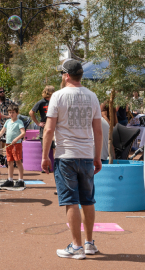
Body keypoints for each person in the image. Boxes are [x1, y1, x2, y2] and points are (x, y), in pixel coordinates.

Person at [41, 60, 103, 260]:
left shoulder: (58, 96)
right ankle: (89, 243)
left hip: (66, 155)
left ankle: (76, 247)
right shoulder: (92, 96)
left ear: (66, 75)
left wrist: (44, 156)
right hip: (86, 155)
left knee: (71, 202)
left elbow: (49, 130)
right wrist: (97, 156)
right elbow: (98, 130)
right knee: (88, 200)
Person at [0, 105, 26, 188]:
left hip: (16, 144)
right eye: (10, 112)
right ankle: (10, 179)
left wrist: (16, 139)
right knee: (9, 162)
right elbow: (2, 131)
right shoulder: (7, 122)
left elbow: (23, 133)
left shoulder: (19, 122)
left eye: (13, 112)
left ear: (17, 113)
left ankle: (20, 180)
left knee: (18, 161)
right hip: (8, 144)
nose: (11, 114)